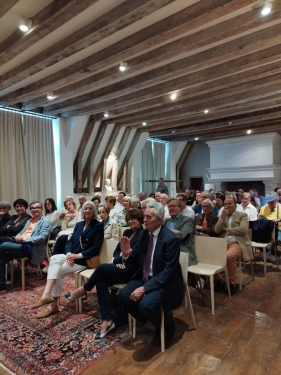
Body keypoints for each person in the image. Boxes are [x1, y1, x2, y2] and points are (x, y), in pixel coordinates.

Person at [65, 209, 144, 339]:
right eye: (129, 219)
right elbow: (117, 251)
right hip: (121, 266)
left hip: (131, 271)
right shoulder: (127, 232)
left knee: (101, 268)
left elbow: (136, 256)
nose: (130, 221)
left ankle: (83, 290)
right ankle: (107, 320)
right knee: (101, 282)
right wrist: (118, 260)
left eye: (133, 219)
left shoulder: (143, 234)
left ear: (140, 220)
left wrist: (123, 258)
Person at [117, 201, 184, 340]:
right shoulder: (143, 234)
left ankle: (167, 326)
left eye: (149, 217)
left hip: (165, 282)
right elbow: (136, 257)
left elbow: (168, 272)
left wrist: (144, 289)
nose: (144, 220)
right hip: (145, 276)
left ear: (159, 220)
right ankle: (156, 321)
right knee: (123, 297)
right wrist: (126, 253)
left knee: (146, 304)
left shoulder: (170, 239)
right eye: (144, 216)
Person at [32, 201, 104, 318]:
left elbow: (96, 247)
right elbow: (70, 241)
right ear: (82, 211)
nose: (87, 211)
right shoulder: (79, 224)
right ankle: (46, 295)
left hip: (84, 260)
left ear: (94, 211)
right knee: (54, 258)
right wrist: (69, 254)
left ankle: (53, 304)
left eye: (90, 209)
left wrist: (77, 256)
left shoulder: (98, 225)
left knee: (57, 271)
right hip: (72, 256)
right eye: (85, 209)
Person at [0, 201, 52, 293]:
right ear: (30, 210)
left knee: (4, 245)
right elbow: (21, 232)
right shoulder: (29, 220)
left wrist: (24, 240)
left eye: (37, 207)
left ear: (41, 209)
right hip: (19, 244)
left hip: (30, 248)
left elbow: (42, 237)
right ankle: (1, 286)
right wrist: (17, 238)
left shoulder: (46, 222)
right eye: (32, 208)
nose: (34, 210)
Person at [214, 197, 253, 295]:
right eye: (225, 204)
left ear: (235, 205)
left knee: (229, 256)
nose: (227, 206)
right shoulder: (223, 216)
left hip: (237, 243)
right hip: (223, 242)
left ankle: (232, 283)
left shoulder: (242, 215)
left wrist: (227, 230)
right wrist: (222, 218)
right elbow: (217, 230)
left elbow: (243, 229)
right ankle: (219, 280)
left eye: (229, 204)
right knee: (211, 254)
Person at [163, 198, 195, 264]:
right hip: (167, 251)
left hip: (182, 251)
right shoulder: (166, 221)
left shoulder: (188, 220)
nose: (171, 208)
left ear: (180, 208)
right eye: (169, 206)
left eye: (174, 206)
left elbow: (182, 236)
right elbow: (160, 234)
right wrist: (173, 231)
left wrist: (167, 232)